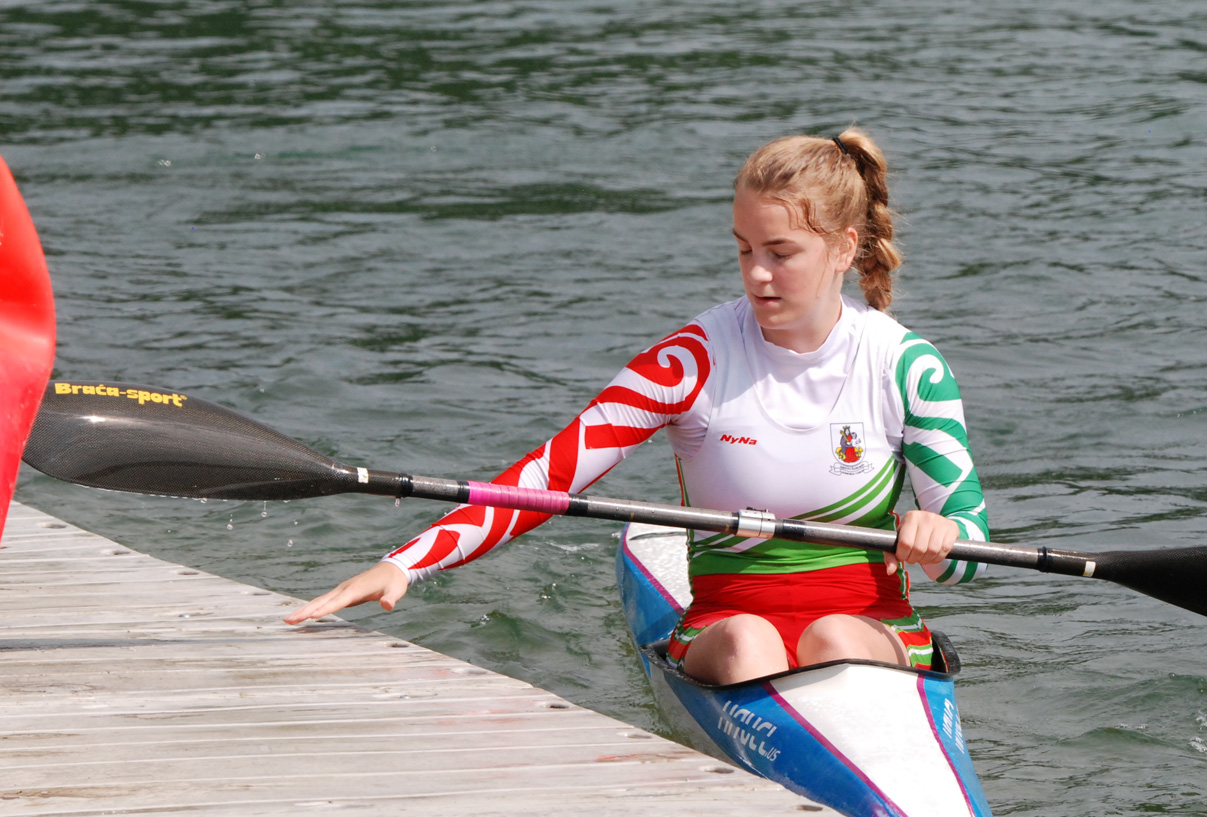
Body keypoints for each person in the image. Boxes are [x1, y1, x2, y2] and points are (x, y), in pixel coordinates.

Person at [285, 129, 988, 685]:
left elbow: (969, 557)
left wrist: (938, 539)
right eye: (744, 250)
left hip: (869, 628)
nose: (757, 275)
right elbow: (548, 479)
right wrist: (405, 564)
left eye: (782, 252)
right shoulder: (692, 360)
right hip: (727, 629)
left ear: (844, 248)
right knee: (750, 643)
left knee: (832, 639)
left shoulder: (907, 367)